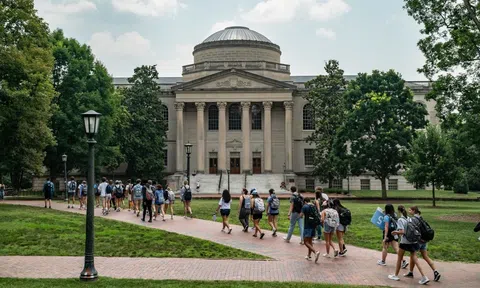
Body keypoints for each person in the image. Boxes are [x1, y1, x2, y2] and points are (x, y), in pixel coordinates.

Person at [388, 205, 430, 285]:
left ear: (399, 211)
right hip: (413, 241)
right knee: (415, 259)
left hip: (404, 242)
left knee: (399, 258)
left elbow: (402, 231)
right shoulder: (409, 218)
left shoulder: (400, 220)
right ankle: (424, 277)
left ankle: (396, 275)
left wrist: (395, 232)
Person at [404, 206, 441, 282]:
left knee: (413, 255)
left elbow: (412, 230)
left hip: (418, 241)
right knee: (425, 256)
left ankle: (414, 273)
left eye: (410, 210)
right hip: (424, 241)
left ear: (414, 211)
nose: (409, 211)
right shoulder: (421, 218)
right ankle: (435, 271)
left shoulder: (413, 219)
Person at [377, 204, 408, 269]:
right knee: (397, 248)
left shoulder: (386, 217)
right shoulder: (395, 215)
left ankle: (383, 261)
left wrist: (385, 236)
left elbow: (386, 226)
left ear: (386, 209)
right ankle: (404, 261)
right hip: (395, 232)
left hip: (388, 233)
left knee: (385, 247)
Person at [300, 197, 321, 263]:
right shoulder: (313, 205)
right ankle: (309, 255)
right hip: (313, 225)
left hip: (307, 226)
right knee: (310, 241)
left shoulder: (305, 206)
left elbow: (301, 215)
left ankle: (315, 252)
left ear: (305, 201)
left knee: (305, 242)